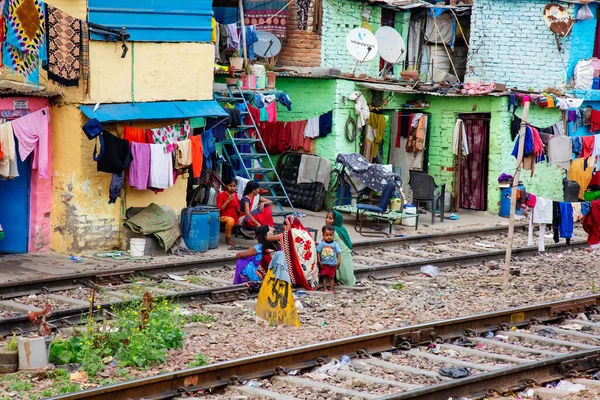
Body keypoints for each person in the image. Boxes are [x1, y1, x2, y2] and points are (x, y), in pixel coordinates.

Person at [280, 215, 319, 290]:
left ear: (288, 225)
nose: (284, 230)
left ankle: (296, 280)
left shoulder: (292, 233)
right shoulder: (305, 232)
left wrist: (269, 231)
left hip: (303, 272)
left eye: (284, 228)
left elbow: (269, 238)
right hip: (311, 272)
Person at [326, 210, 356, 286]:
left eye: (330, 218)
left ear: (335, 220)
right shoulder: (341, 228)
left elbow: (326, 243)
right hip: (346, 252)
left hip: (341, 254)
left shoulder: (332, 231)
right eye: (327, 217)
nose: (327, 220)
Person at [316, 225, 341, 292]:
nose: (329, 237)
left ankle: (331, 288)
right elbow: (318, 252)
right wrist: (319, 261)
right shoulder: (322, 244)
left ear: (333, 235)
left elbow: (338, 253)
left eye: (331, 235)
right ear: (323, 235)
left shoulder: (335, 244)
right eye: (327, 235)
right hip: (324, 264)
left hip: (332, 264)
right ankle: (325, 288)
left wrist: (338, 262)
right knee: (324, 276)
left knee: (331, 277)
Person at [217, 178, 240, 246]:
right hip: (223, 216)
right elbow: (219, 210)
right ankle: (228, 238)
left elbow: (237, 206)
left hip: (235, 215)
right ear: (226, 186)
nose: (232, 188)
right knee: (230, 220)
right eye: (230, 186)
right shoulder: (221, 195)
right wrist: (228, 200)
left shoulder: (235, 195)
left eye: (234, 186)